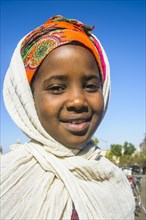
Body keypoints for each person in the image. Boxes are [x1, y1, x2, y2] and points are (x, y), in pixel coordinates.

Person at [1, 15, 135, 219]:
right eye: (56, 88)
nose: (78, 101)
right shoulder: (8, 181)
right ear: (27, 98)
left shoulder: (115, 182)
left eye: (91, 86)